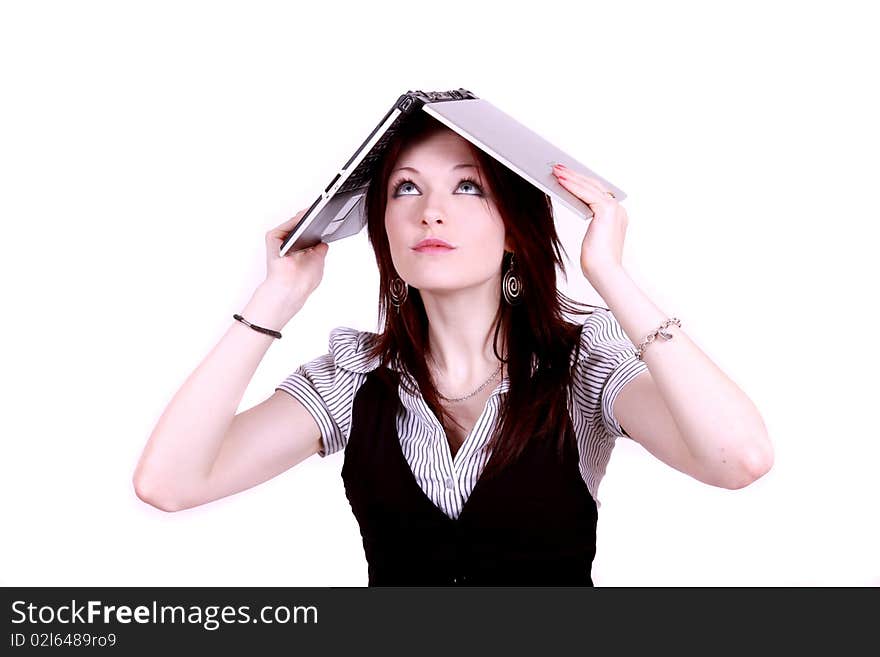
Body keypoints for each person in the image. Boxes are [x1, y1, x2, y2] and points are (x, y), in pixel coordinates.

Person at [133, 111, 774, 586]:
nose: (430, 212)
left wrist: (610, 272)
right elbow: (169, 484)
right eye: (405, 188)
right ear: (382, 228)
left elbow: (737, 459)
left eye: (467, 187)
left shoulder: (583, 369)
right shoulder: (354, 379)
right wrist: (274, 301)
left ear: (516, 229)